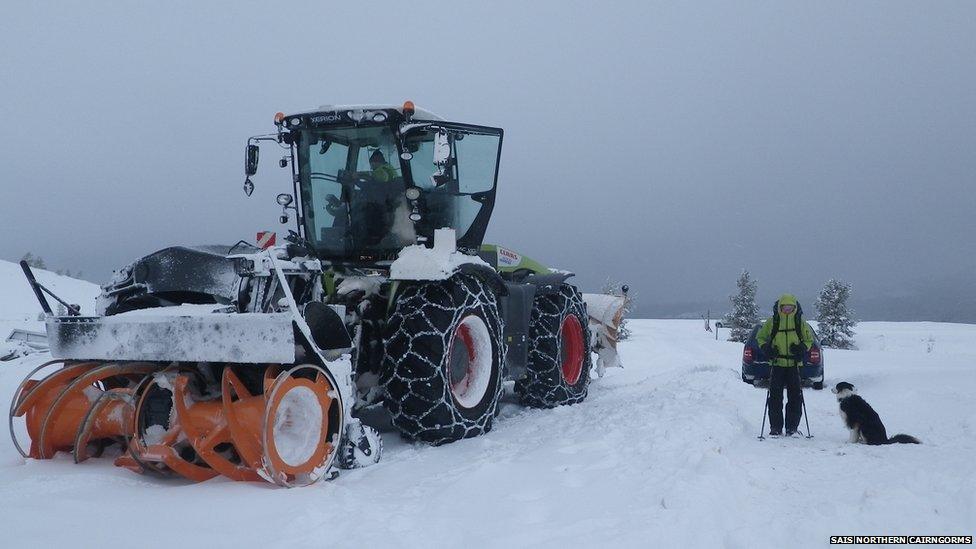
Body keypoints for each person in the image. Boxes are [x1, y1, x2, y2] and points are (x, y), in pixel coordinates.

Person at [756, 294, 815, 436]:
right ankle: (775, 428)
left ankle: (792, 428)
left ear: (795, 308)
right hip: (777, 364)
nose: (787, 309)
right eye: (784, 307)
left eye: (790, 307)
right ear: (780, 307)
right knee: (775, 397)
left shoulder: (800, 322)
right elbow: (760, 337)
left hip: (794, 365)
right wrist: (767, 348)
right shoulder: (772, 321)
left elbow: (809, 340)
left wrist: (802, 348)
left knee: (795, 397)